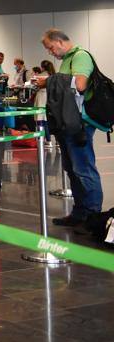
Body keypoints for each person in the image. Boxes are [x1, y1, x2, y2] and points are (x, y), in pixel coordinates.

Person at [36, 29, 104, 228]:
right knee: (72, 169)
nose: (50, 52)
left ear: (59, 41)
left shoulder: (80, 56)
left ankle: (92, 214)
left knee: (83, 169)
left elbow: (80, 84)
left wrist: (49, 81)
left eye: (50, 47)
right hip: (68, 122)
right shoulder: (67, 60)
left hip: (79, 123)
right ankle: (81, 211)